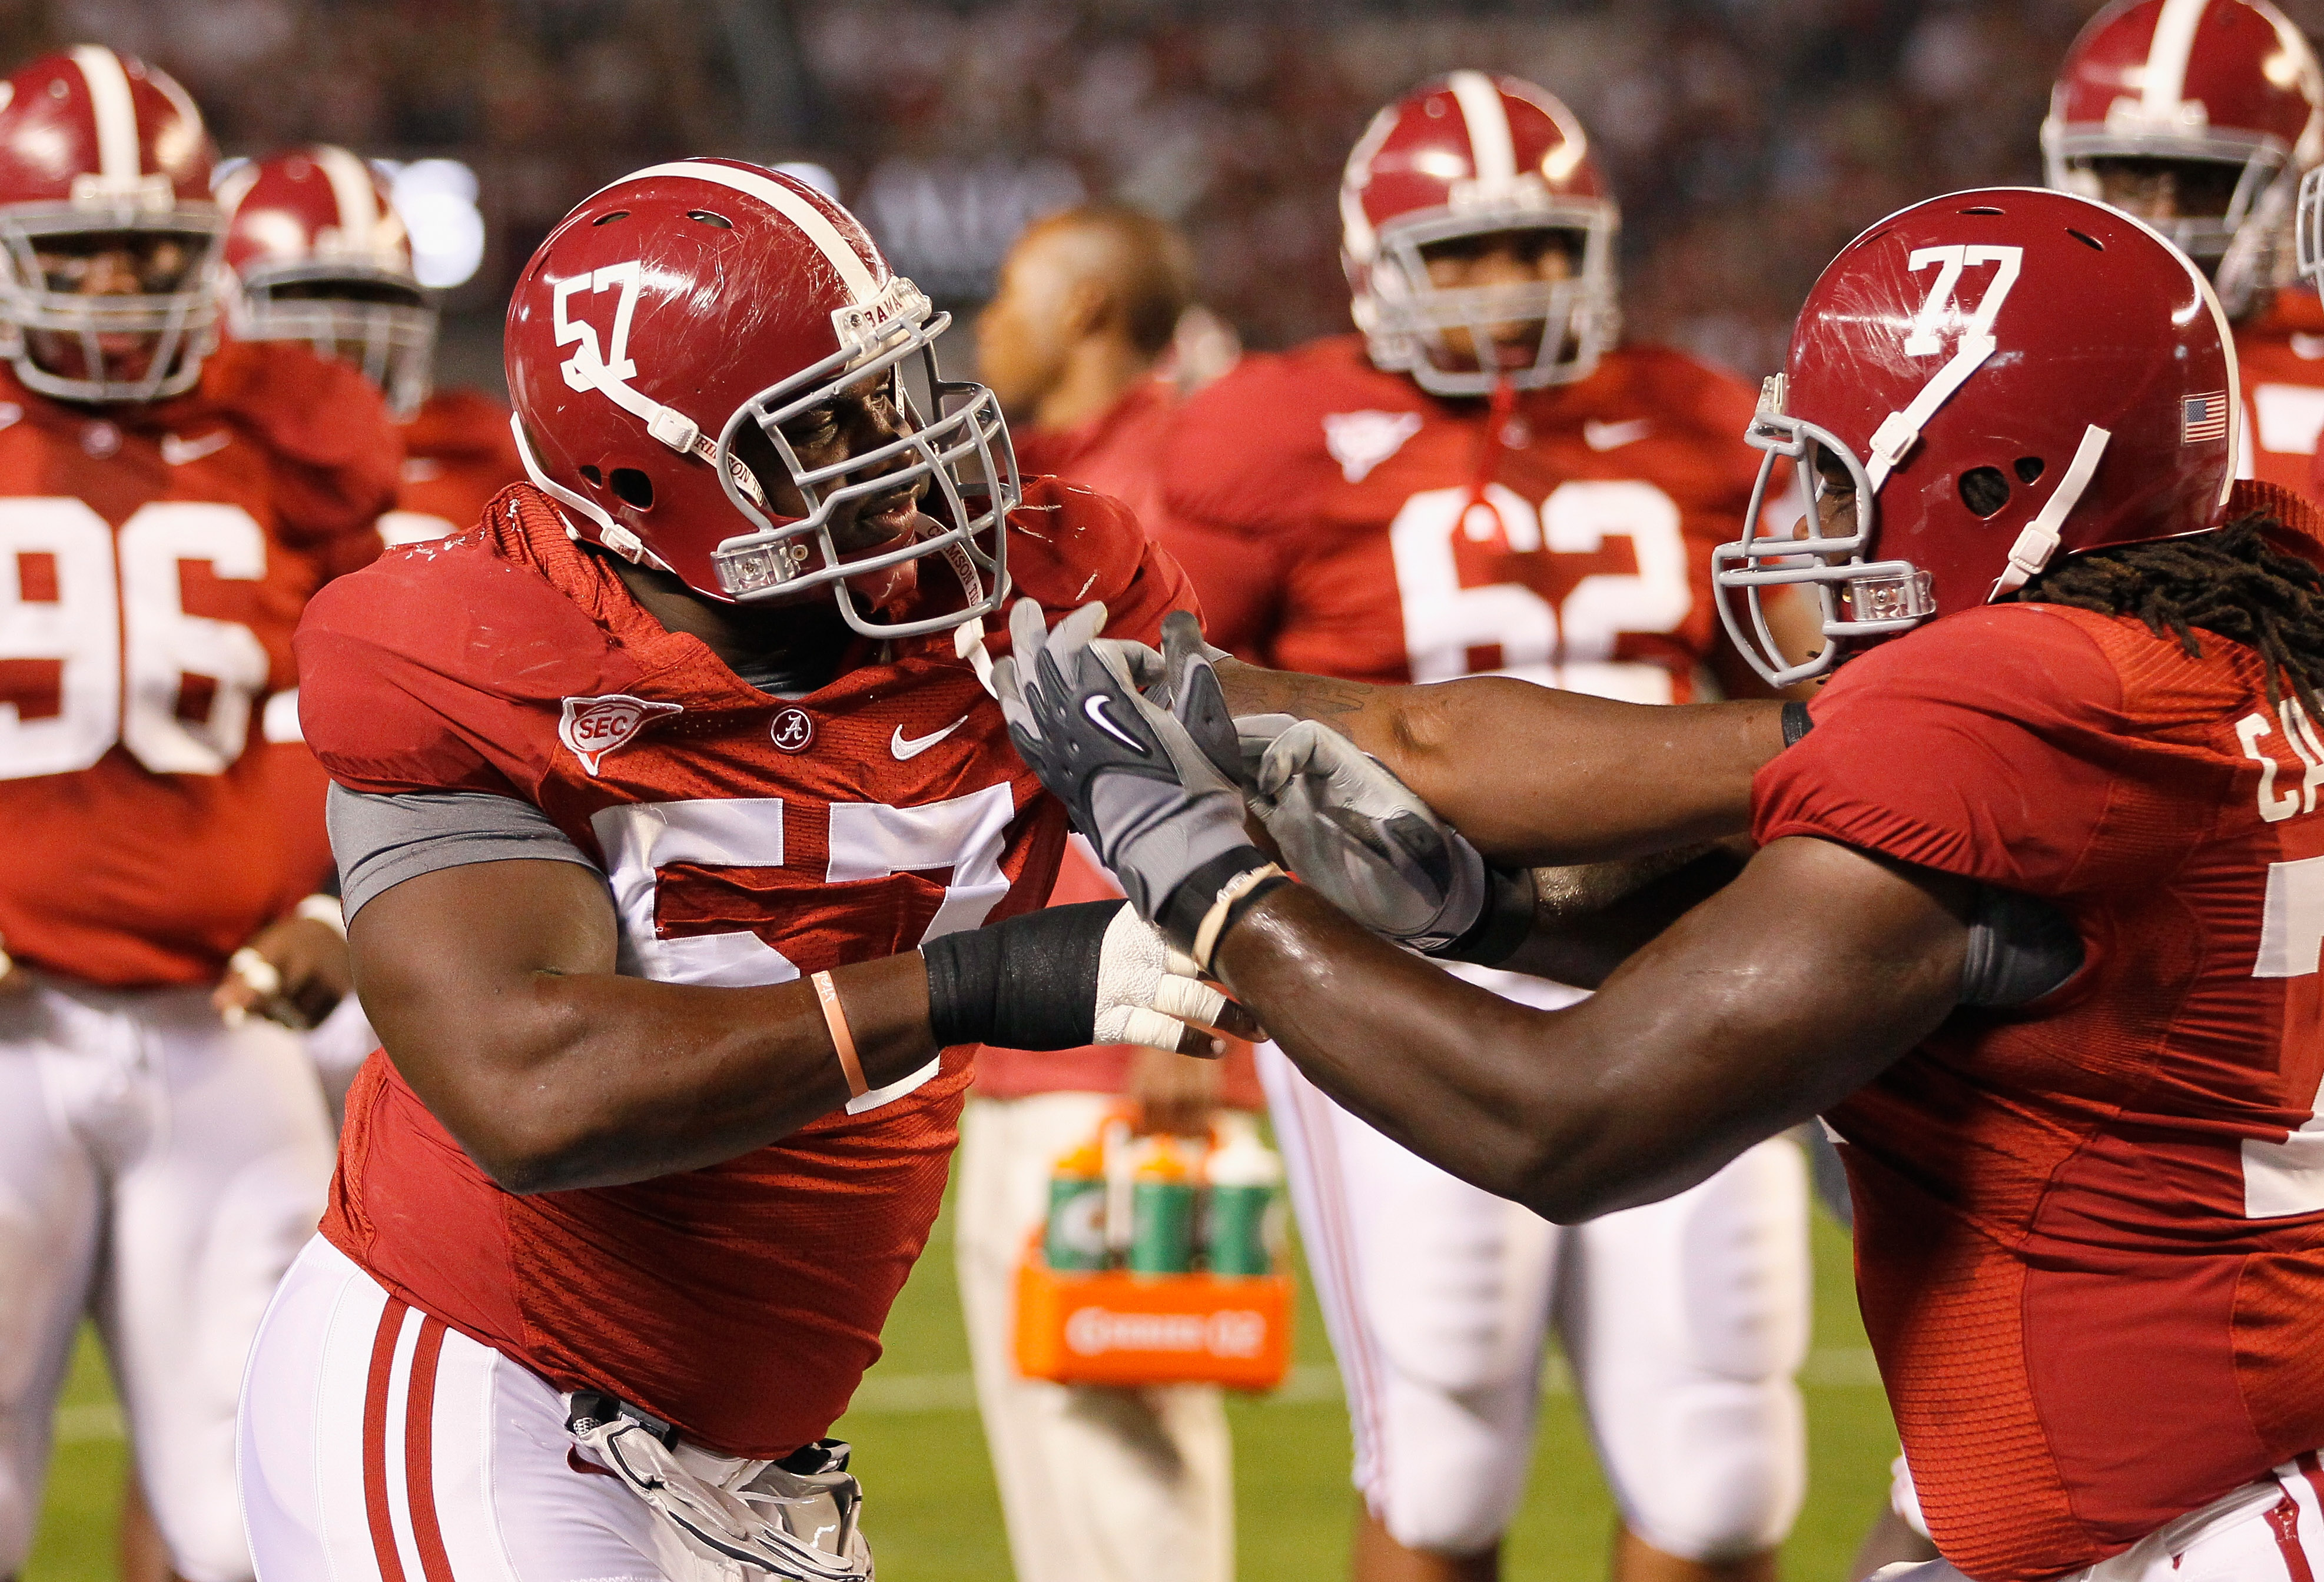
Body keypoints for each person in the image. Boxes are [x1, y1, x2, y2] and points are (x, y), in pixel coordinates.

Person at [1000, 184, 2324, 1582]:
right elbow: (1860, 933)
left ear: (1998, 479)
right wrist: (1482, 908)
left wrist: (1218, 893)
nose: (1817, 522)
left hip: (2212, 1513)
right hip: (2186, 1450)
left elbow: (1562, 1127)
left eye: (1838, 474)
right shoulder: (2222, 638)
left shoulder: (2029, 696)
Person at [233, 157, 1243, 1582]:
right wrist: (982, 985)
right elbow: (534, 1091)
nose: (894, 449)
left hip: (743, 1455)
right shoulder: (479, 650)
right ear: (649, 473)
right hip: (488, 1384)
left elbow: (1396, 736)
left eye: (887, 392)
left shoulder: (971, 608)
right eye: (825, 425)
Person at [1150, 70, 1814, 1582]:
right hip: (1405, 963)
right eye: (1462, 251)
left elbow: (1783, 696)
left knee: (1720, 1467)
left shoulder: (1697, 416)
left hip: (1679, 953)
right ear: (1375, 257)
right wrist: (1170, 976)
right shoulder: (1273, 428)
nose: (1506, 286)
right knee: (1446, 1466)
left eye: (1533, 245)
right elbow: (1171, 715)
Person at [0, 45, 399, 1582]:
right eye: (77, 252)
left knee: (266, 1504)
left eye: (152, 251)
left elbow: (369, 725)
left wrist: (326, 911)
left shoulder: (288, 433)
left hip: (218, 1027)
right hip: (12, 1042)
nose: (115, 287)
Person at [959, 202, 1257, 1582]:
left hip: (1126, 1029)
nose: (985, 330)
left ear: (1082, 311)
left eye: (1011, 297)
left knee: (1128, 1453)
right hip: (1045, 1031)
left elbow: (1227, 752)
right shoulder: (1074, 474)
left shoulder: (1163, 483)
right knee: (1065, 1452)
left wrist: (1195, 990)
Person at [215, 142, 527, 1105]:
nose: (349, 336)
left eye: (379, 302)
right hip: (205, 909)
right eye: (309, 303)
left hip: (428, 901)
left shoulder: (489, 462)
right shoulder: (183, 464)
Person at [2046, 0, 2324, 499]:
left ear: (2296, 180)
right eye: (2134, 180)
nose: (2166, 215)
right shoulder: (2022, 363)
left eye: (2208, 181)